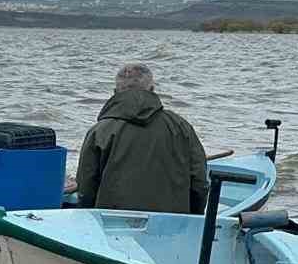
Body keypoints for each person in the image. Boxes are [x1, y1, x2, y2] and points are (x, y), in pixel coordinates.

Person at [74, 63, 208, 214]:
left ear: (115, 92)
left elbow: (86, 188)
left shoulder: (100, 131)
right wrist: (194, 217)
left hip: (112, 225)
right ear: (152, 90)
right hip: (172, 225)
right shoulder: (181, 127)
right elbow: (200, 183)